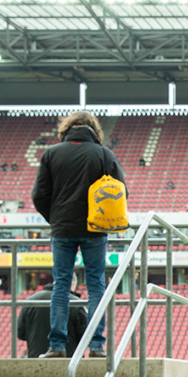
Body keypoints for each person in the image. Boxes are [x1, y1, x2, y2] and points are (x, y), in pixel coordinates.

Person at [32, 110, 126, 359]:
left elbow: (39, 195)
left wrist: (56, 220)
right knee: (96, 285)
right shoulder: (104, 154)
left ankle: (57, 346)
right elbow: (121, 192)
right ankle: (96, 347)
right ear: (94, 130)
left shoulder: (51, 153)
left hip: (62, 229)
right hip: (95, 229)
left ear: (67, 129)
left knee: (61, 285)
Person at [18, 274, 87, 358]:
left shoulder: (30, 301)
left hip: (36, 360)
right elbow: (86, 335)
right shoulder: (76, 303)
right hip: (69, 361)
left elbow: (20, 333)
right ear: (72, 284)